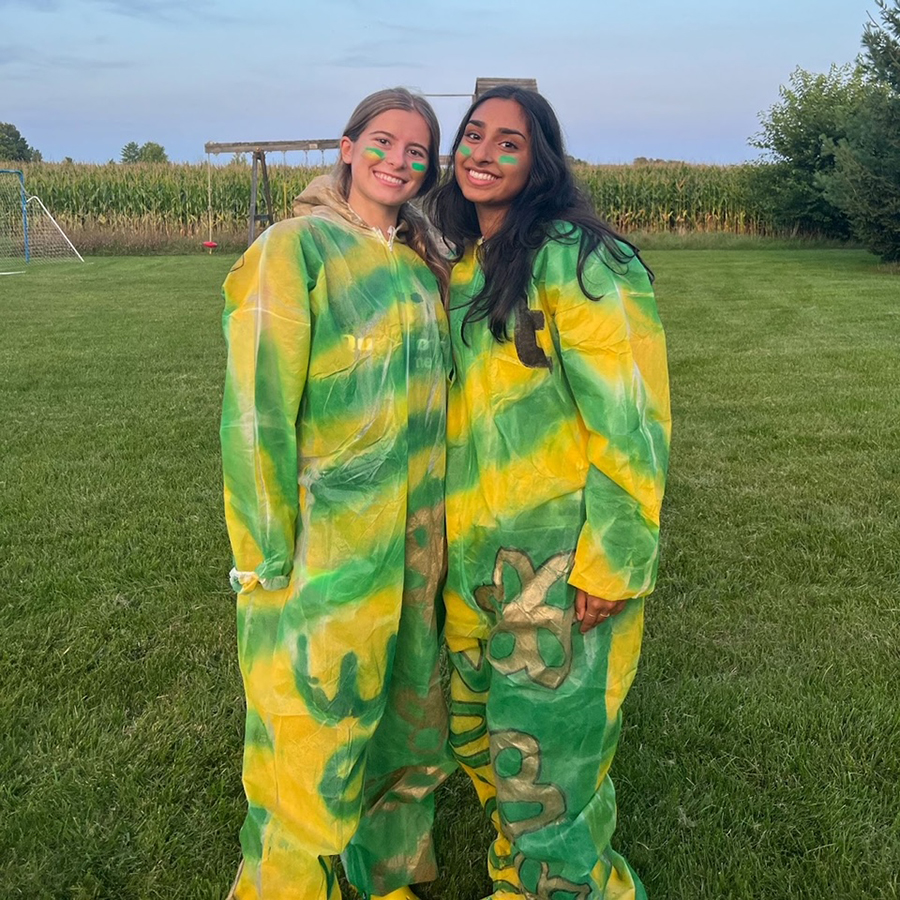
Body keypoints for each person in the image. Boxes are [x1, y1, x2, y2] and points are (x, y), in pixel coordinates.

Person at [426, 85, 671, 900]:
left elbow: (631, 422)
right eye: (473, 135)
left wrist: (613, 559)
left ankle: (570, 887)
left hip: (557, 565)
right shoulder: (461, 265)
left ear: (540, 165)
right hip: (474, 560)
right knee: (475, 737)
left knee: (546, 761)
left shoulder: (583, 260)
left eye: (509, 142)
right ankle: (518, 868)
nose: (483, 153)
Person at [220, 88, 454, 900]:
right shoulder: (295, 250)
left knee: (407, 730)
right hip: (325, 559)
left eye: (417, 151)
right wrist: (262, 556)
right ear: (348, 148)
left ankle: (387, 878)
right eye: (384, 142)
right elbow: (256, 413)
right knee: (309, 748)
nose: (399, 160)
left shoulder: (427, 264)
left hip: (416, 557)